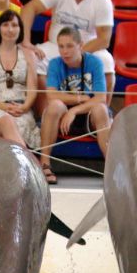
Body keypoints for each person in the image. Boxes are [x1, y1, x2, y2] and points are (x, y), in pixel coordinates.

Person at [20, 0, 114, 104]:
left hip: (87, 48)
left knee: (107, 62)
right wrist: (25, 40)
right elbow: (28, 9)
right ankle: (45, 114)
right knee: (32, 59)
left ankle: (102, 113)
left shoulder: (102, 0)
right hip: (56, 45)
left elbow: (104, 40)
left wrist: (76, 54)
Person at [39, 27, 110, 184]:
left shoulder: (95, 62)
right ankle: (45, 164)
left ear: (81, 45)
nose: (65, 51)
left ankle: (112, 168)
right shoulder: (55, 64)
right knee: (54, 106)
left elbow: (100, 98)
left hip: (88, 114)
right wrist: (79, 99)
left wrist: (75, 111)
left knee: (101, 110)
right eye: (61, 46)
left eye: (70, 46)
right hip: (63, 115)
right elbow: (51, 96)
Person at [0, 10, 39, 149]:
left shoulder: (29, 55)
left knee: (14, 124)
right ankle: (29, 164)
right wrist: (2, 106)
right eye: (5, 24)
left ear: (20, 29)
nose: (10, 29)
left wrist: (24, 107)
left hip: (21, 109)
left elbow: (32, 89)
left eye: (15, 25)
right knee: (7, 121)